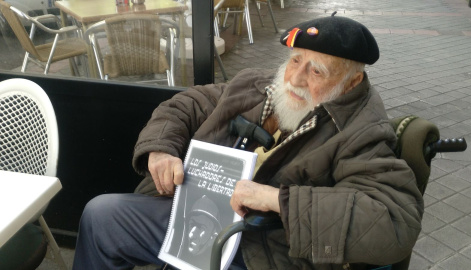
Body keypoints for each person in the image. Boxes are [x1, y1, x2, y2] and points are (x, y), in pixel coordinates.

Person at [73, 14, 423, 270]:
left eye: (316, 71)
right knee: (102, 216)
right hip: (204, 212)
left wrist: (276, 200)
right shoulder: (255, 85)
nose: (295, 79)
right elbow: (187, 104)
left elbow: (395, 221)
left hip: (266, 248)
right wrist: (160, 148)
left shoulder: (363, 129)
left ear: (350, 83)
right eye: (295, 61)